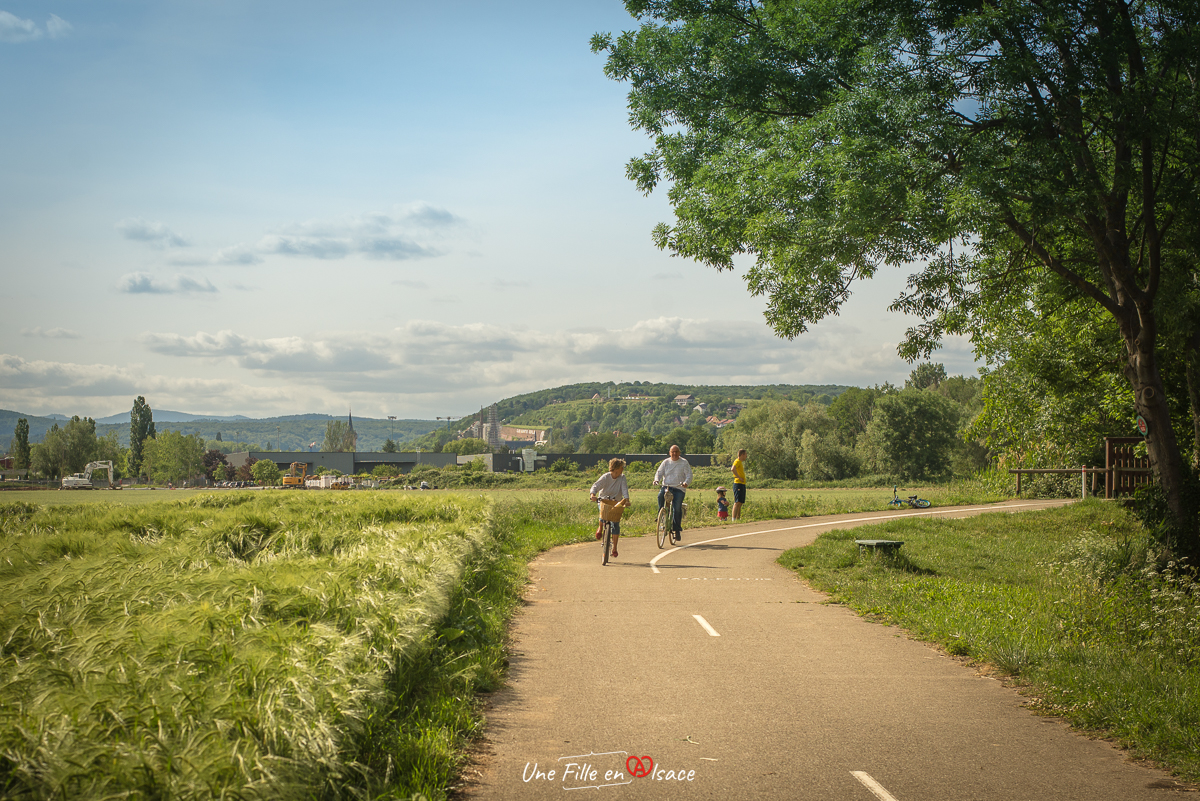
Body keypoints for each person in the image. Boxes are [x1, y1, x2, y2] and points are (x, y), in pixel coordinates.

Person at [590, 458, 630, 559]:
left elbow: (624, 489)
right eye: (622, 467)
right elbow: (596, 486)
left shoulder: (622, 477)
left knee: (615, 524)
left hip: (616, 502)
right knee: (603, 513)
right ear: (617, 468)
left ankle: (614, 548)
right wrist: (593, 495)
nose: (623, 469)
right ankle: (600, 528)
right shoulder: (606, 477)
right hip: (604, 500)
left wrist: (627, 499)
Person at [654, 445, 692, 543]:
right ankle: (660, 515)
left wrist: (686, 483)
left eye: (676, 452)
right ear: (669, 452)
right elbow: (659, 472)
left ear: (679, 452)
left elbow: (689, 475)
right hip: (667, 486)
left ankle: (677, 530)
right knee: (660, 496)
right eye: (672, 452)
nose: (674, 454)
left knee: (677, 508)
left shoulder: (684, 462)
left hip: (679, 488)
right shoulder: (666, 462)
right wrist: (656, 480)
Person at [730, 448, 749, 522]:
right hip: (738, 484)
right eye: (745, 455)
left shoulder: (740, 462)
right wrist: (738, 477)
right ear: (742, 455)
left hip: (742, 484)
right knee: (737, 502)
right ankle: (733, 519)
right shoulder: (737, 461)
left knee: (740, 502)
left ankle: (738, 518)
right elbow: (733, 469)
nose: (746, 456)